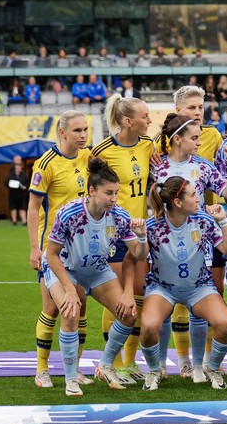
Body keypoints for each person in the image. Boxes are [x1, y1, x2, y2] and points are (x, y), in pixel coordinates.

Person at [42, 158, 149, 396]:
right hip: (64, 267)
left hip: (96, 269)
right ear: (92, 191)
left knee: (129, 314)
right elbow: (51, 255)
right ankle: (71, 379)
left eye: (116, 193)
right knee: (70, 312)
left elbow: (138, 255)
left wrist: (141, 238)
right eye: (108, 193)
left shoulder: (119, 216)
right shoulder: (69, 213)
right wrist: (70, 289)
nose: (113, 198)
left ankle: (105, 365)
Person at [151, 113, 227, 380]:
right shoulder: (156, 166)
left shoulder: (203, 165)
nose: (199, 142)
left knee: (197, 296)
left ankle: (199, 364)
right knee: (164, 302)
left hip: (198, 238)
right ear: (177, 139)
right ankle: (168, 363)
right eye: (194, 138)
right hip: (164, 239)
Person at [138, 177, 227, 390]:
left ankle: (210, 368)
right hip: (162, 287)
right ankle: (155, 370)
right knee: (147, 327)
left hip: (199, 287)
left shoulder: (203, 219)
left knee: (225, 323)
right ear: (178, 202)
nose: (198, 198)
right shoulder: (153, 225)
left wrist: (223, 221)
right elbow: (138, 256)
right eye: (193, 195)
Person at [91, 95, 155, 384]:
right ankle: (111, 364)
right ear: (128, 121)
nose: (149, 120)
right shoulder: (102, 151)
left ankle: (129, 363)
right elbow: (93, 193)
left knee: (138, 294)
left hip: (140, 233)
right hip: (113, 233)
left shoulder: (147, 145)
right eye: (144, 115)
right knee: (116, 299)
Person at [28, 111, 92, 389]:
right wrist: (34, 248)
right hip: (53, 248)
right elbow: (33, 208)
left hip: (82, 248)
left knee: (81, 304)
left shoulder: (88, 156)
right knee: (53, 307)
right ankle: (42, 369)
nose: (82, 135)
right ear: (62, 131)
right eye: (77, 130)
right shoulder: (46, 164)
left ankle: (74, 368)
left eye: (85, 130)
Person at [7, 155, 29, 226]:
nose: (18, 168)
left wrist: (25, 187)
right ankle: (14, 221)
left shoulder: (23, 175)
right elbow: (7, 182)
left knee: (22, 207)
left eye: (19, 167)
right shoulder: (11, 174)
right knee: (13, 207)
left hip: (21, 194)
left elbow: (27, 183)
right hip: (13, 194)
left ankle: (24, 221)